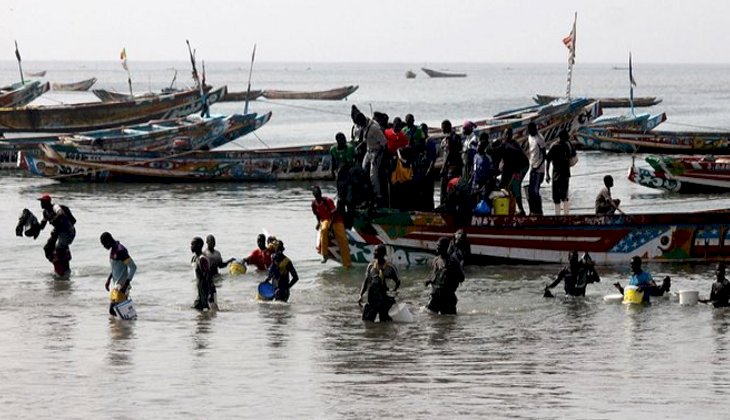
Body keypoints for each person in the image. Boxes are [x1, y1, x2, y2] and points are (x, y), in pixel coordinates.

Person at [358, 244, 400, 322]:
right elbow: (366, 281)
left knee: (385, 324)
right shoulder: (370, 266)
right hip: (372, 300)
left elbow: (398, 282)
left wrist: (393, 291)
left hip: (384, 301)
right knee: (367, 323)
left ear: (382, 254)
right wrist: (360, 294)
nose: (373, 253)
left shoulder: (390, 268)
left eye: (376, 251)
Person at [311, 186, 351, 267]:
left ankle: (347, 263)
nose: (318, 196)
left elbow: (334, 214)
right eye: (316, 194)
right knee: (324, 229)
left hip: (336, 220)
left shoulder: (328, 201)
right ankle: (324, 254)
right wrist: (318, 223)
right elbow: (317, 215)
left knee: (343, 240)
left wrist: (331, 226)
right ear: (314, 195)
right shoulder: (313, 204)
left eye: (318, 194)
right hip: (325, 220)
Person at [354, 111, 388, 205]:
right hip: (368, 151)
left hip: (377, 152)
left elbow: (384, 143)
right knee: (363, 170)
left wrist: (376, 158)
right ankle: (367, 193)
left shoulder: (374, 128)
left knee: (373, 175)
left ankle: (378, 195)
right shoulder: (364, 127)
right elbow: (365, 140)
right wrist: (358, 147)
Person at [100, 232, 137, 317]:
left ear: (108, 242)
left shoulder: (121, 251)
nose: (104, 247)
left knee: (122, 313)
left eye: (104, 245)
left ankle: (127, 327)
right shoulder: (113, 250)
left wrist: (126, 284)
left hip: (122, 286)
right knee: (114, 311)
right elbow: (115, 268)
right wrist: (108, 280)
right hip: (116, 285)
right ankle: (122, 328)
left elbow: (133, 267)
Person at [425, 237, 465, 314]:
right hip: (435, 296)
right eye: (437, 246)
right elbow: (433, 274)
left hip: (448, 298)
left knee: (448, 322)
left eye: (439, 246)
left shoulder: (453, 262)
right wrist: (428, 280)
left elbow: (462, 278)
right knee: (430, 318)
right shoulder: (436, 260)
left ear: (445, 248)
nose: (437, 248)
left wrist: (450, 273)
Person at [37, 194, 76, 272]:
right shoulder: (45, 212)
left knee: (59, 249)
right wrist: (33, 225)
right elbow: (42, 226)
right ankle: (58, 264)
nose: (41, 204)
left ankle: (65, 268)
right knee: (47, 248)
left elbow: (61, 213)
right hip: (58, 232)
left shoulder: (55, 207)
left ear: (47, 202)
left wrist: (54, 219)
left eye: (42, 202)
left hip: (68, 231)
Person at [496, 128, 529, 216]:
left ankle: (521, 211)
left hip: (522, 167)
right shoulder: (509, 144)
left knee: (515, 186)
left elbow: (507, 165)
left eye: (505, 134)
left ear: (506, 135)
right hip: (515, 166)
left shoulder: (508, 146)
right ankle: (511, 208)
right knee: (509, 186)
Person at [546, 130, 576, 215]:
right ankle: (558, 215)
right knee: (556, 197)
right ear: (562, 137)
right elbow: (548, 160)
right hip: (557, 174)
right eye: (566, 137)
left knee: (564, 196)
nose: (567, 139)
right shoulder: (554, 146)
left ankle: (565, 215)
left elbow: (573, 155)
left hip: (565, 174)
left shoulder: (567, 145)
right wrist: (547, 174)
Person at [191, 237, 216, 311]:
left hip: (207, 291)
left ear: (199, 245)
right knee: (198, 311)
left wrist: (210, 294)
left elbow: (208, 275)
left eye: (193, 244)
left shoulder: (202, 259)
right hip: (200, 291)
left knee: (212, 312)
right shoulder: (194, 258)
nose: (191, 246)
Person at [526, 122, 546, 215]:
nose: (529, 132)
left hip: (539, 169)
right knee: (530, 190)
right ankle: (532, 211)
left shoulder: (540, 139)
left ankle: (539, 212)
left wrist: (537, 167)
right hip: (532, 166)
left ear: (535, 129)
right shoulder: (530, 137)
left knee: (535, 190)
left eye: (531, 130)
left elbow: (544, 155)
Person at [330, 132, 356, 203]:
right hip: (340, 173)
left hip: (351, 170)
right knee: (340, 190)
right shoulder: (333, 149)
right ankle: (340, 198)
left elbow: (350, 162)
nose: (344, 141)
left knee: (349, 189)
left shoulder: (349, 148)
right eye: (342, 140)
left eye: (344, 139)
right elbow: (333, 161)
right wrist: (332, 172)